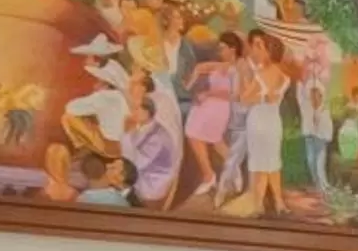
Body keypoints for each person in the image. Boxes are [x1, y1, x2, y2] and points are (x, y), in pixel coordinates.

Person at [181, 29, 239, 203]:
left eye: (223, 48)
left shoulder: (238, 69)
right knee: (193, 134)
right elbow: (200, 67)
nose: (220, 51)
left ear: (233, 49)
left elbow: (235, 95)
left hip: (221, 107)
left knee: (215, 140)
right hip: (206, 105)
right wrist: (191, 84)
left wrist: (210, 94)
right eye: (219, 48)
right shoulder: (219, 65)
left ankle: (228, 171)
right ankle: (209, 175)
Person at [240, 32, 290, 216]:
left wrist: (262, 97)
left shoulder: (281, 76)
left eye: (261, 47)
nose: (257, 51)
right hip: (258, 122)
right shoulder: (261, 73)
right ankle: (260, 204)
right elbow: (244, 99)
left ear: (271, 51)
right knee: (261, 164)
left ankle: (277, 202)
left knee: (272, 163)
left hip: (271, 123)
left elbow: (245, 98)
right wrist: (262, 97)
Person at [57, 35, 130, 157]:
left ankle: (80, 147)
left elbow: (70, 107)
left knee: (67, 117)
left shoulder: (103, 97)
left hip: (111, 147)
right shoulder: (119, 94)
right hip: (125, 143)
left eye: (98, 80)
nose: (95, 83)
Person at [120, 66, 182, 207]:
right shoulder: (144, 127)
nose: (132, 113)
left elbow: (136, 165)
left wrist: (127, 133)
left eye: (136, 109)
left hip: (152, 184)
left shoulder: (158, 136)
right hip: (144, 175)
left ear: (147, 112)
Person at [296, 64, 335, 193]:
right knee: (311, 161)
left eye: (317, 94)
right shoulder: (305, 106)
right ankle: (317, 185)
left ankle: (324, 186)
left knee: (319, 163)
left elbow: (327, 127)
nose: (314, 97)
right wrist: (302, 80)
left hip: (320, 139)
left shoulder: (324, 109)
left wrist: (321, 133)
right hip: (309, 137)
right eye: (312, 94)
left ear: (321, 95)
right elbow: (299, 95)